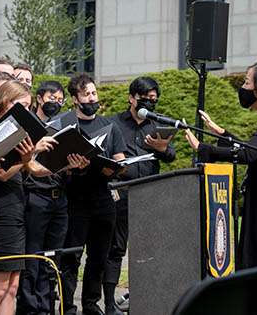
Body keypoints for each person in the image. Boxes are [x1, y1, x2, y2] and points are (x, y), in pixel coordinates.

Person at [185, 61, 257, 279]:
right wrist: (222, 133)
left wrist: (204, 148)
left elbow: (249, 155)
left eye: (247, 82)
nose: (243, 87)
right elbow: (255, 152)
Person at [103, 76, 175, 314]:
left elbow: (170, 156)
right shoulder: (113, 124)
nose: (149, 104)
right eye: (144, 99)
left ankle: (143, 296)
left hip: (149, 192)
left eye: (153, 100)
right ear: (131, 98)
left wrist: (162, 149)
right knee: (116, 248)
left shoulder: (156, 125)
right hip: (120, 192)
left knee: (147, 248)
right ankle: (110, 301)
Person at [59, 72, 127, 315]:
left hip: (103, 198)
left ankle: (91, 304)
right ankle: (67, 306)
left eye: (94, 93)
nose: (92, 98)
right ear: (75, 99)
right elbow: (54, 163)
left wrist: (118, 166)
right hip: (75, 200)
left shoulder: (109, 126)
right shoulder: (65, 124)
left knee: (98, 257)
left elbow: (120, 159)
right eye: (86, 94)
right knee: (71, 257)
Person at [0, 80, 36, 315]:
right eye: (22, 106)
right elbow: (1, 173)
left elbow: (34, 168)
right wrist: (27, 158)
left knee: (13, 286)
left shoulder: (17, 131)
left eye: (30, 107)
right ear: (6, 101)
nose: (27, 112)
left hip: (14, 209)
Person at [17, 80, 70, 315]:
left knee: (53, 257)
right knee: (33, 257)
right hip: (35, 197)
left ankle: (47, 305)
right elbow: (30, 166)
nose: (55, 103)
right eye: (52, 98)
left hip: (60, 198)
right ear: (39, 98)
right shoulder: (29, 126)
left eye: (60, 100)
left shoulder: (63, 125)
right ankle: (31, 308)